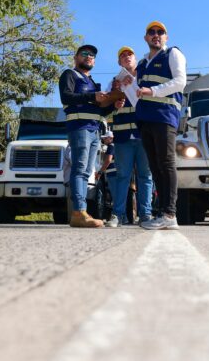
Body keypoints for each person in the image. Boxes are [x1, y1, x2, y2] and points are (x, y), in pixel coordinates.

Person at [133, 21, 187, 230]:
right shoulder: (143, 63)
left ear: (166, 37)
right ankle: (162, 212)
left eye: (160, 32)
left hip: (164, 117)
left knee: (166, 163)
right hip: (145, 119)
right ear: (146, 38)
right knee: (155, 167)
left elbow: (180, 82)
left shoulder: (173, 54)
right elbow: (137, 90)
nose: (156, 35)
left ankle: (170, 214)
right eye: (151, 32)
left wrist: (152, 91)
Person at [59, 44, 113, 228]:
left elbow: (100, 113)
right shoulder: (70, 75)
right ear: (76, 58)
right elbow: (66, 97)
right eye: (84, 54)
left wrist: (114, 105)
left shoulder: (91, 82)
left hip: (94, 130)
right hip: (80, 128)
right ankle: (78, 211)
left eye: (92, 55)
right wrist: (92, 96)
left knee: (86, 171)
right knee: (80, 169)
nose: (89, 56)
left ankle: (81, 212)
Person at [108, 46, 154, 227]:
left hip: (144, 136)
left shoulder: (145, 78)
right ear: (119, 63)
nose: (127, 57)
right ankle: (117, 215)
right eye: (123, 56)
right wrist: (115, 99)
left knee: (145, 176)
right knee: (122, 177)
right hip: (123, 138)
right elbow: (107, 107)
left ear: (136, 59)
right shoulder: (114, 82)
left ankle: (146, 215)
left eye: (130, 54)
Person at [97, 131, 120, 227]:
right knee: (118, 196)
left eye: (106, 138)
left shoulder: (111, 146)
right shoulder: (118, 146)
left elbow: (108, 160)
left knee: (115, 196)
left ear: (111, 138)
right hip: (117, 173)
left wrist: (100, 172)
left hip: (112, 174)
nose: (104, 139)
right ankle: (122, 217)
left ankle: (117, 217)